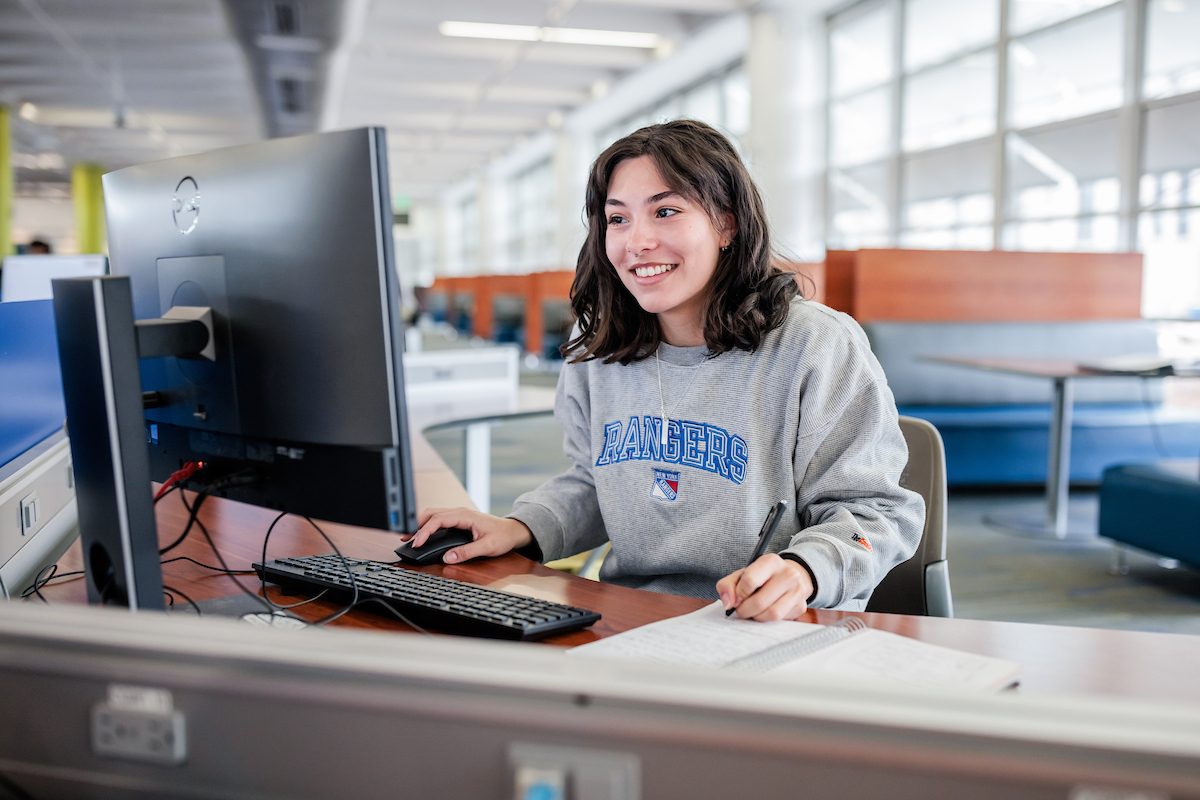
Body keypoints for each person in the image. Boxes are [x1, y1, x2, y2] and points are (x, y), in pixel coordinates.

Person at [408, 119, 924, 621]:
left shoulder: (813, 345)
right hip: (633, 619)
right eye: (618, 219)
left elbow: (878, 514)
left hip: (770, 627)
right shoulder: (600, 350)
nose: (637, 241)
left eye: (666, 211)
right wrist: (517, 526)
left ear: (727, 223)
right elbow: (595, 484)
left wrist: (805, 569)